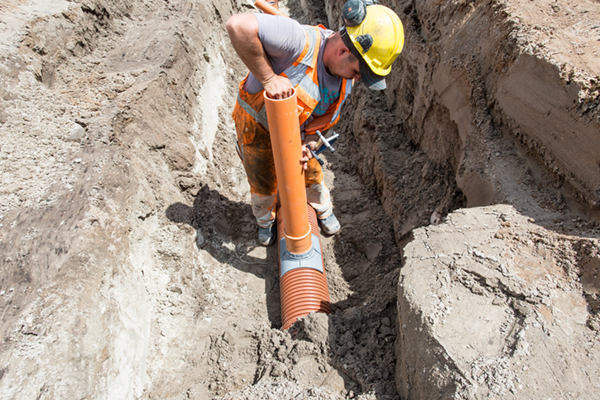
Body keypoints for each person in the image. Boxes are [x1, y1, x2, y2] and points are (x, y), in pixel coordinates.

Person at [226, 1, 404, 246]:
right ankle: (266, 220)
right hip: (257, 126)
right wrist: (269, 79)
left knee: (310, 172)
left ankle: (321, 209)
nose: (356, 80)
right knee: (262, 177)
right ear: (343, 52)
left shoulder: (343, 76)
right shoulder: (297, 40)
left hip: (296, 130)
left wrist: (310, 141)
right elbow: (237, 25)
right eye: (356, 72)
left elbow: (326, 116)